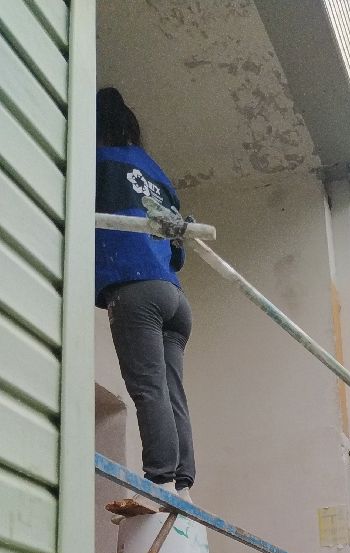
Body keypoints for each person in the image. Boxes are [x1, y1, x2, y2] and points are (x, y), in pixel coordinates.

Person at [96, 87, 195, 513]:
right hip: (173, 295)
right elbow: (179, 249)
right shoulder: (156, 174)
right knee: (172, 391)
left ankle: (159, 481)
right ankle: (183, 485)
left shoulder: (97, 162)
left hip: (135, 290)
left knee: (147, 388)